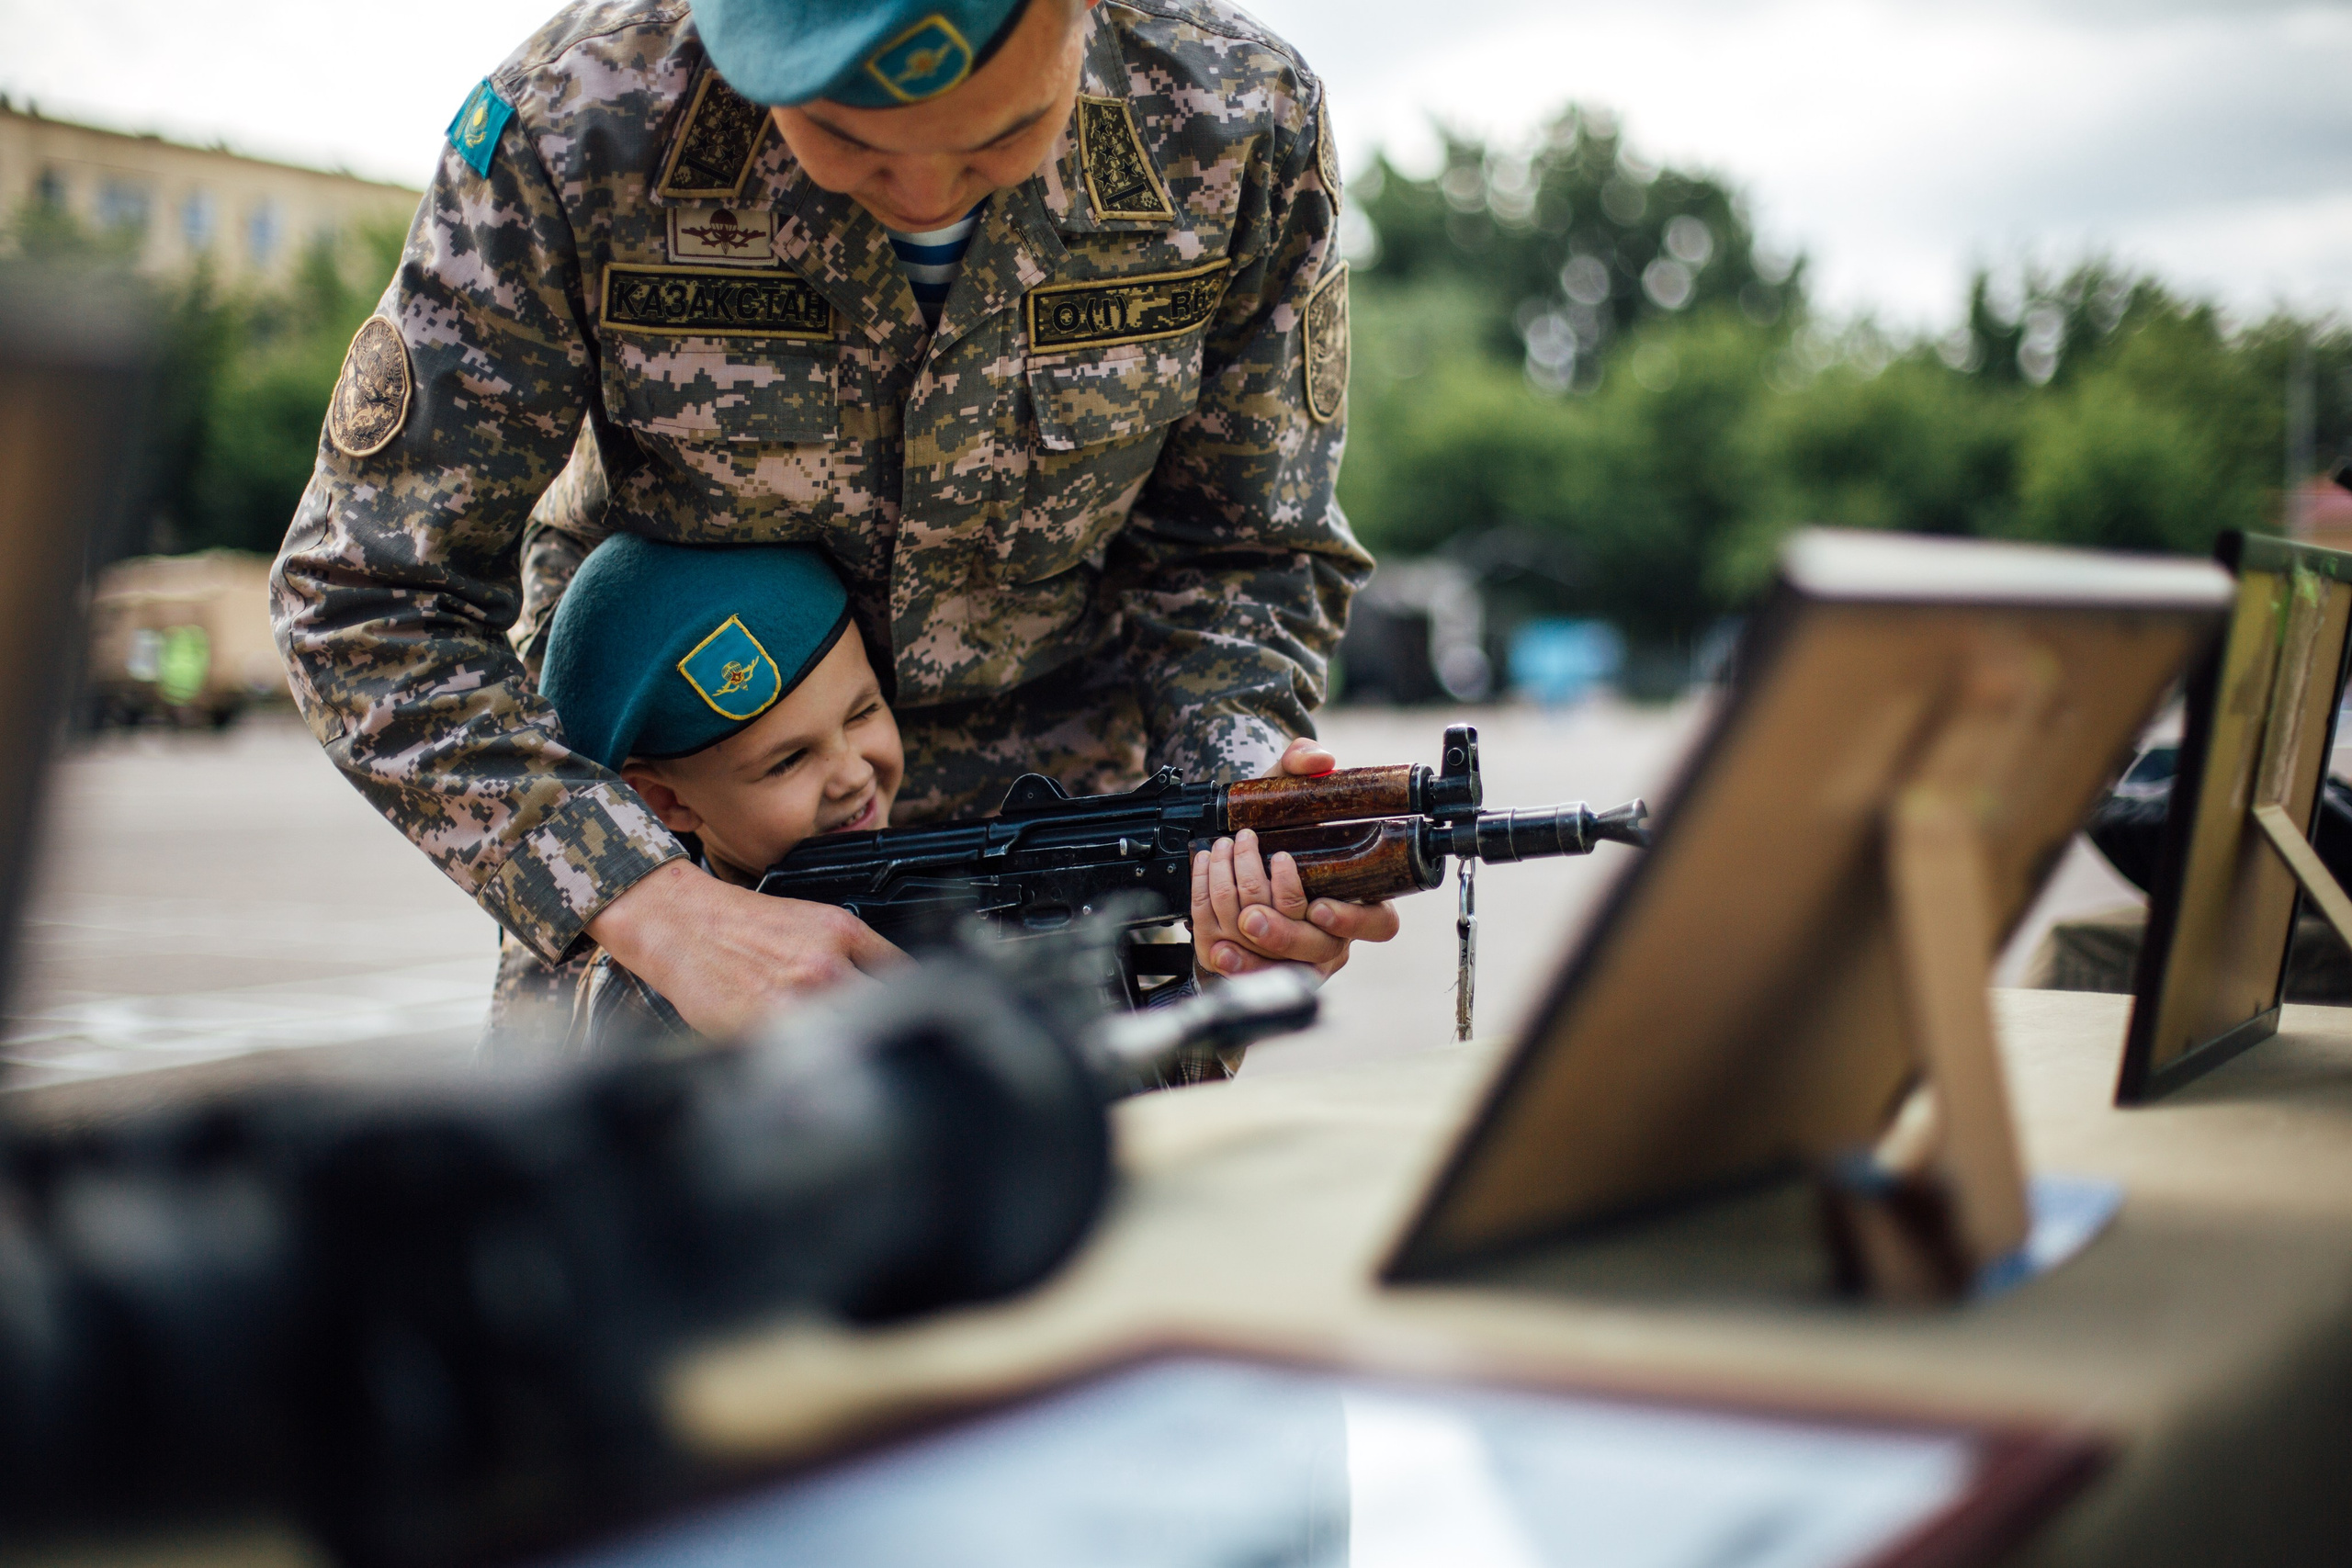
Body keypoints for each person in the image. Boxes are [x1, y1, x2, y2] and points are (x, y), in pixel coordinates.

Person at [272, 0, 1393, 1041]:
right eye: (846, 138)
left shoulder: (1237, 117)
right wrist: (650, 904)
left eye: (997, 136)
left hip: (1057, 888)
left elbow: (1242, 549)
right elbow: (367, 593)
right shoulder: (581, 126)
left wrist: (1234, 820)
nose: (924, 196)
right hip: (686, 872)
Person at [537, 531, 1306, 1071]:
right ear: (664, 802)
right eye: (788, 760)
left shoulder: (943, 896)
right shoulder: (667, 992)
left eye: (864, 712)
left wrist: (1215, 978)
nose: (851, 772)